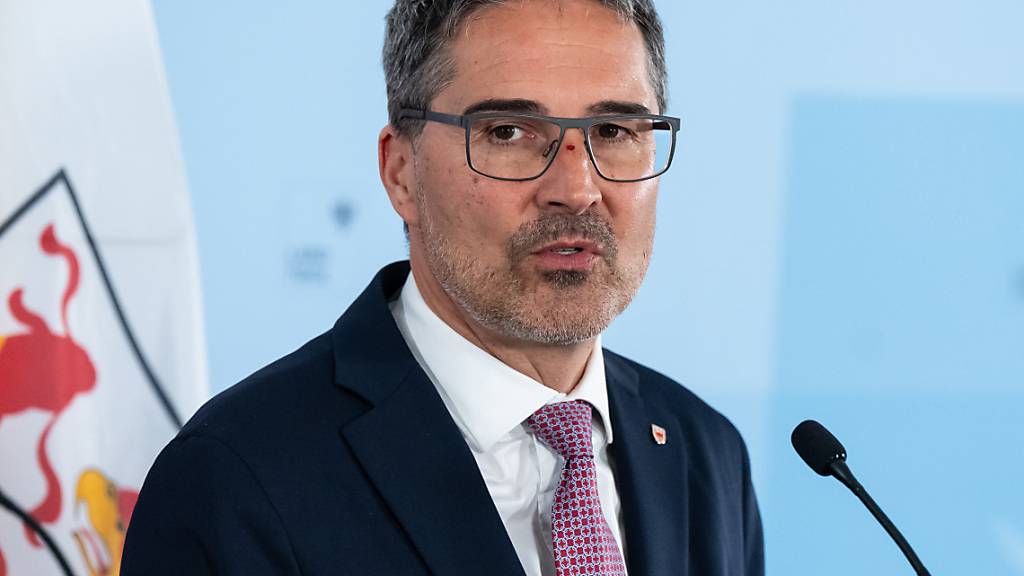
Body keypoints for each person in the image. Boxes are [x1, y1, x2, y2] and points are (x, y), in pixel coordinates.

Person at [121, 0, 764, 574]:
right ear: (400, 173)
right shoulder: (239, 477)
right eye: (508, 132)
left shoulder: (703, 451)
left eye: (616, 132)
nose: (575, 189)